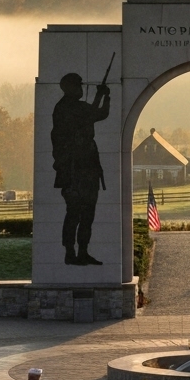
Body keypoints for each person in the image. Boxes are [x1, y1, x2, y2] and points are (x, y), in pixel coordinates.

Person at [51, 71, 110, 265]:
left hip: (87, 167)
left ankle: (82, 251)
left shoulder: (72, 107)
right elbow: (98, 113)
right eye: (78, 85)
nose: (81, 89)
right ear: (70, 87)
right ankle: (70, 252)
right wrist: (103, 96)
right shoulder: (66, 109)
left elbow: (93, 113)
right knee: (75, 213)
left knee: (87, 214)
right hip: (74, 169)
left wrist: (103, 96)